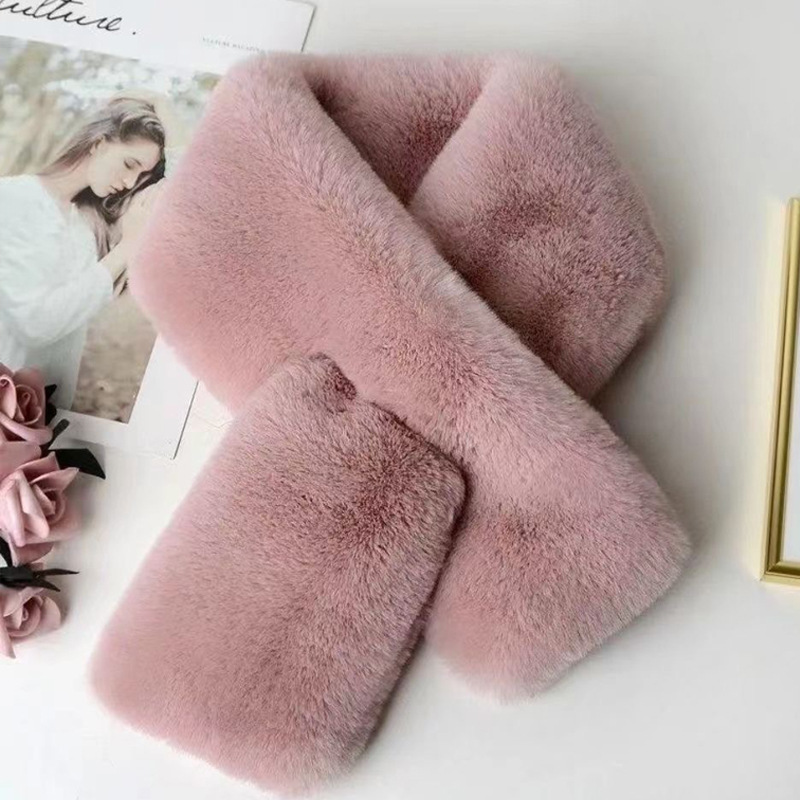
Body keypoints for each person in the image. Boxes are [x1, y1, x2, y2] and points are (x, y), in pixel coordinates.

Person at [0, 97, 166, 409]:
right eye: (129, 165)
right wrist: (127, 247)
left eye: (140, 175)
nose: (130, 182)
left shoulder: (85, 224)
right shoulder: (13, 198)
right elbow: (36, 323)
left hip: (50, 412)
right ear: (98, 144)